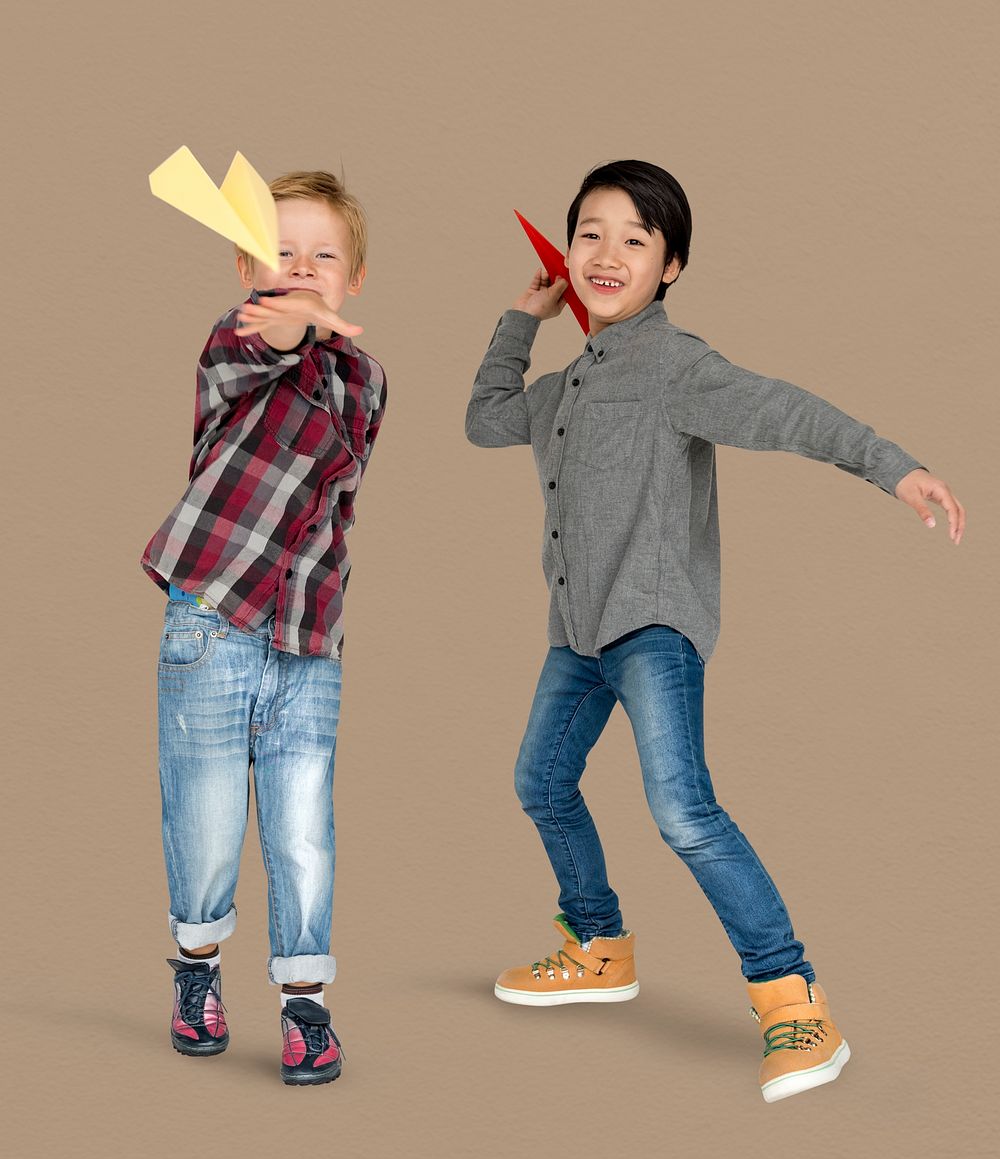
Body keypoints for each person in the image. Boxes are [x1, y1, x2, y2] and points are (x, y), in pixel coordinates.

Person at [465, 159, 964, 1102]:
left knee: (684, 810)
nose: (607, 255)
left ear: (672, 266)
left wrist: (895, 468)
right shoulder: (566, 387)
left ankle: (792, 1001)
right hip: (578, 631)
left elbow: (787, 412)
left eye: (636, 240)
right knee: (540, 779)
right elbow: (486, 419)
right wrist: (523, 317)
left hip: (652, 625)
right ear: (566, 250)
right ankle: (600, 944)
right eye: (591, 234)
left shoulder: (676, 366)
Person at [140, 169, 387, 1085]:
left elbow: (337, 504)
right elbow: (272, 335)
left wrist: (325, 619)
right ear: (248, 264)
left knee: (303, 828)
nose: (305, 268)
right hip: (212, 618)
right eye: (282, 253)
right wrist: (294, 318)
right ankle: (196, 972)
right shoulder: (237, 338)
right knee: (205, 819)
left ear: (354, 276)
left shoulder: (367, 377)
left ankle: (304, 1005)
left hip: (308, 638)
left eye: (325, 255)